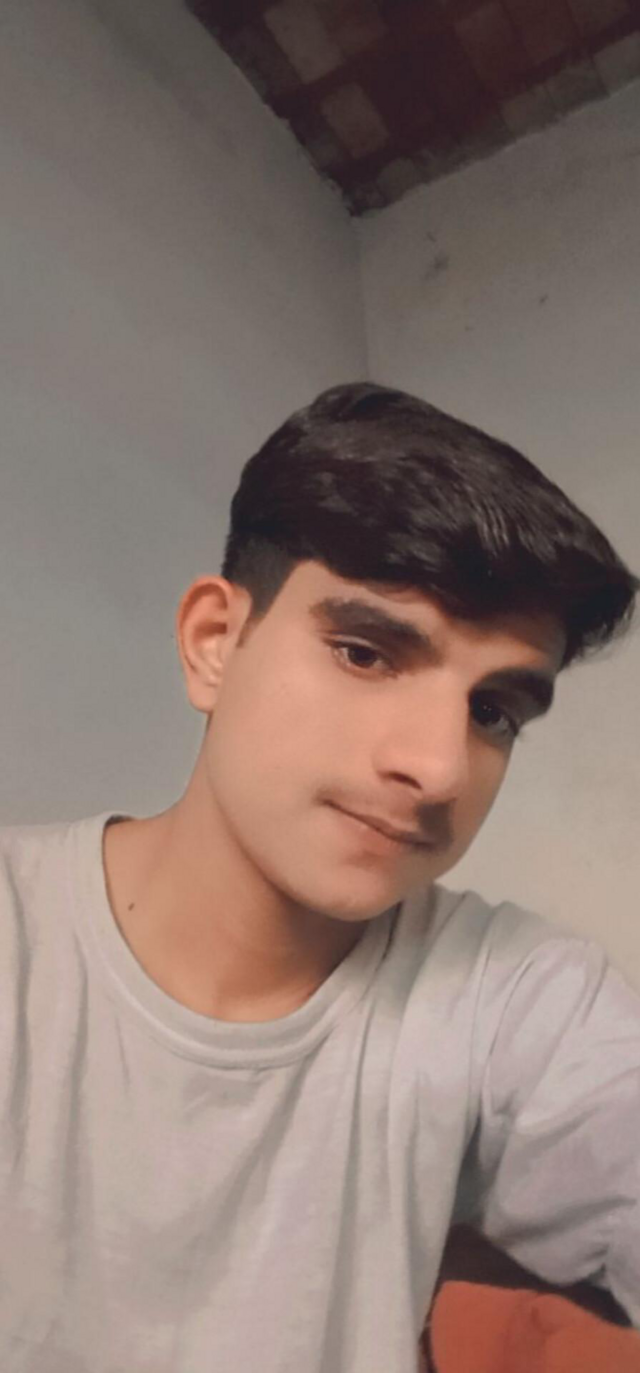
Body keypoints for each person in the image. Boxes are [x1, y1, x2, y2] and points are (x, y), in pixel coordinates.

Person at [0, 382, 638, 1373]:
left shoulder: (512, 994)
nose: (438, 767)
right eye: (366, 652)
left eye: (493, 711)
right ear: (215, 643)